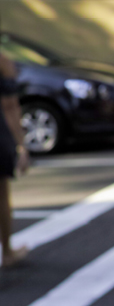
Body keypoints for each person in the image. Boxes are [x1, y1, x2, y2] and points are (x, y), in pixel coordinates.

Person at [0, 52, 29, 268]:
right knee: (1, 195)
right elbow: (10, 106)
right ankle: (7, 252)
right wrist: (21, 145)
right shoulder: (3, 61)